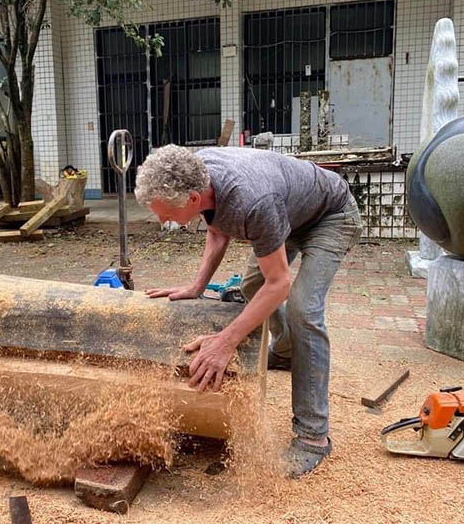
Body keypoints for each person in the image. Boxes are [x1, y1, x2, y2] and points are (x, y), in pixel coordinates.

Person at [135, 144, 362, 477]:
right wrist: (197, 287)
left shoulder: (251, 201)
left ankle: (313, 436)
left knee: (302, 309)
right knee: (252, 287)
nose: (162, 219)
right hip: (287, 212)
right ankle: (284, 352)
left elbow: (280, 283)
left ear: (194, 199)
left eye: (165, 213)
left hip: (330, 217)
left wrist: (225, 342)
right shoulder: (198, 174)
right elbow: (216, 227)